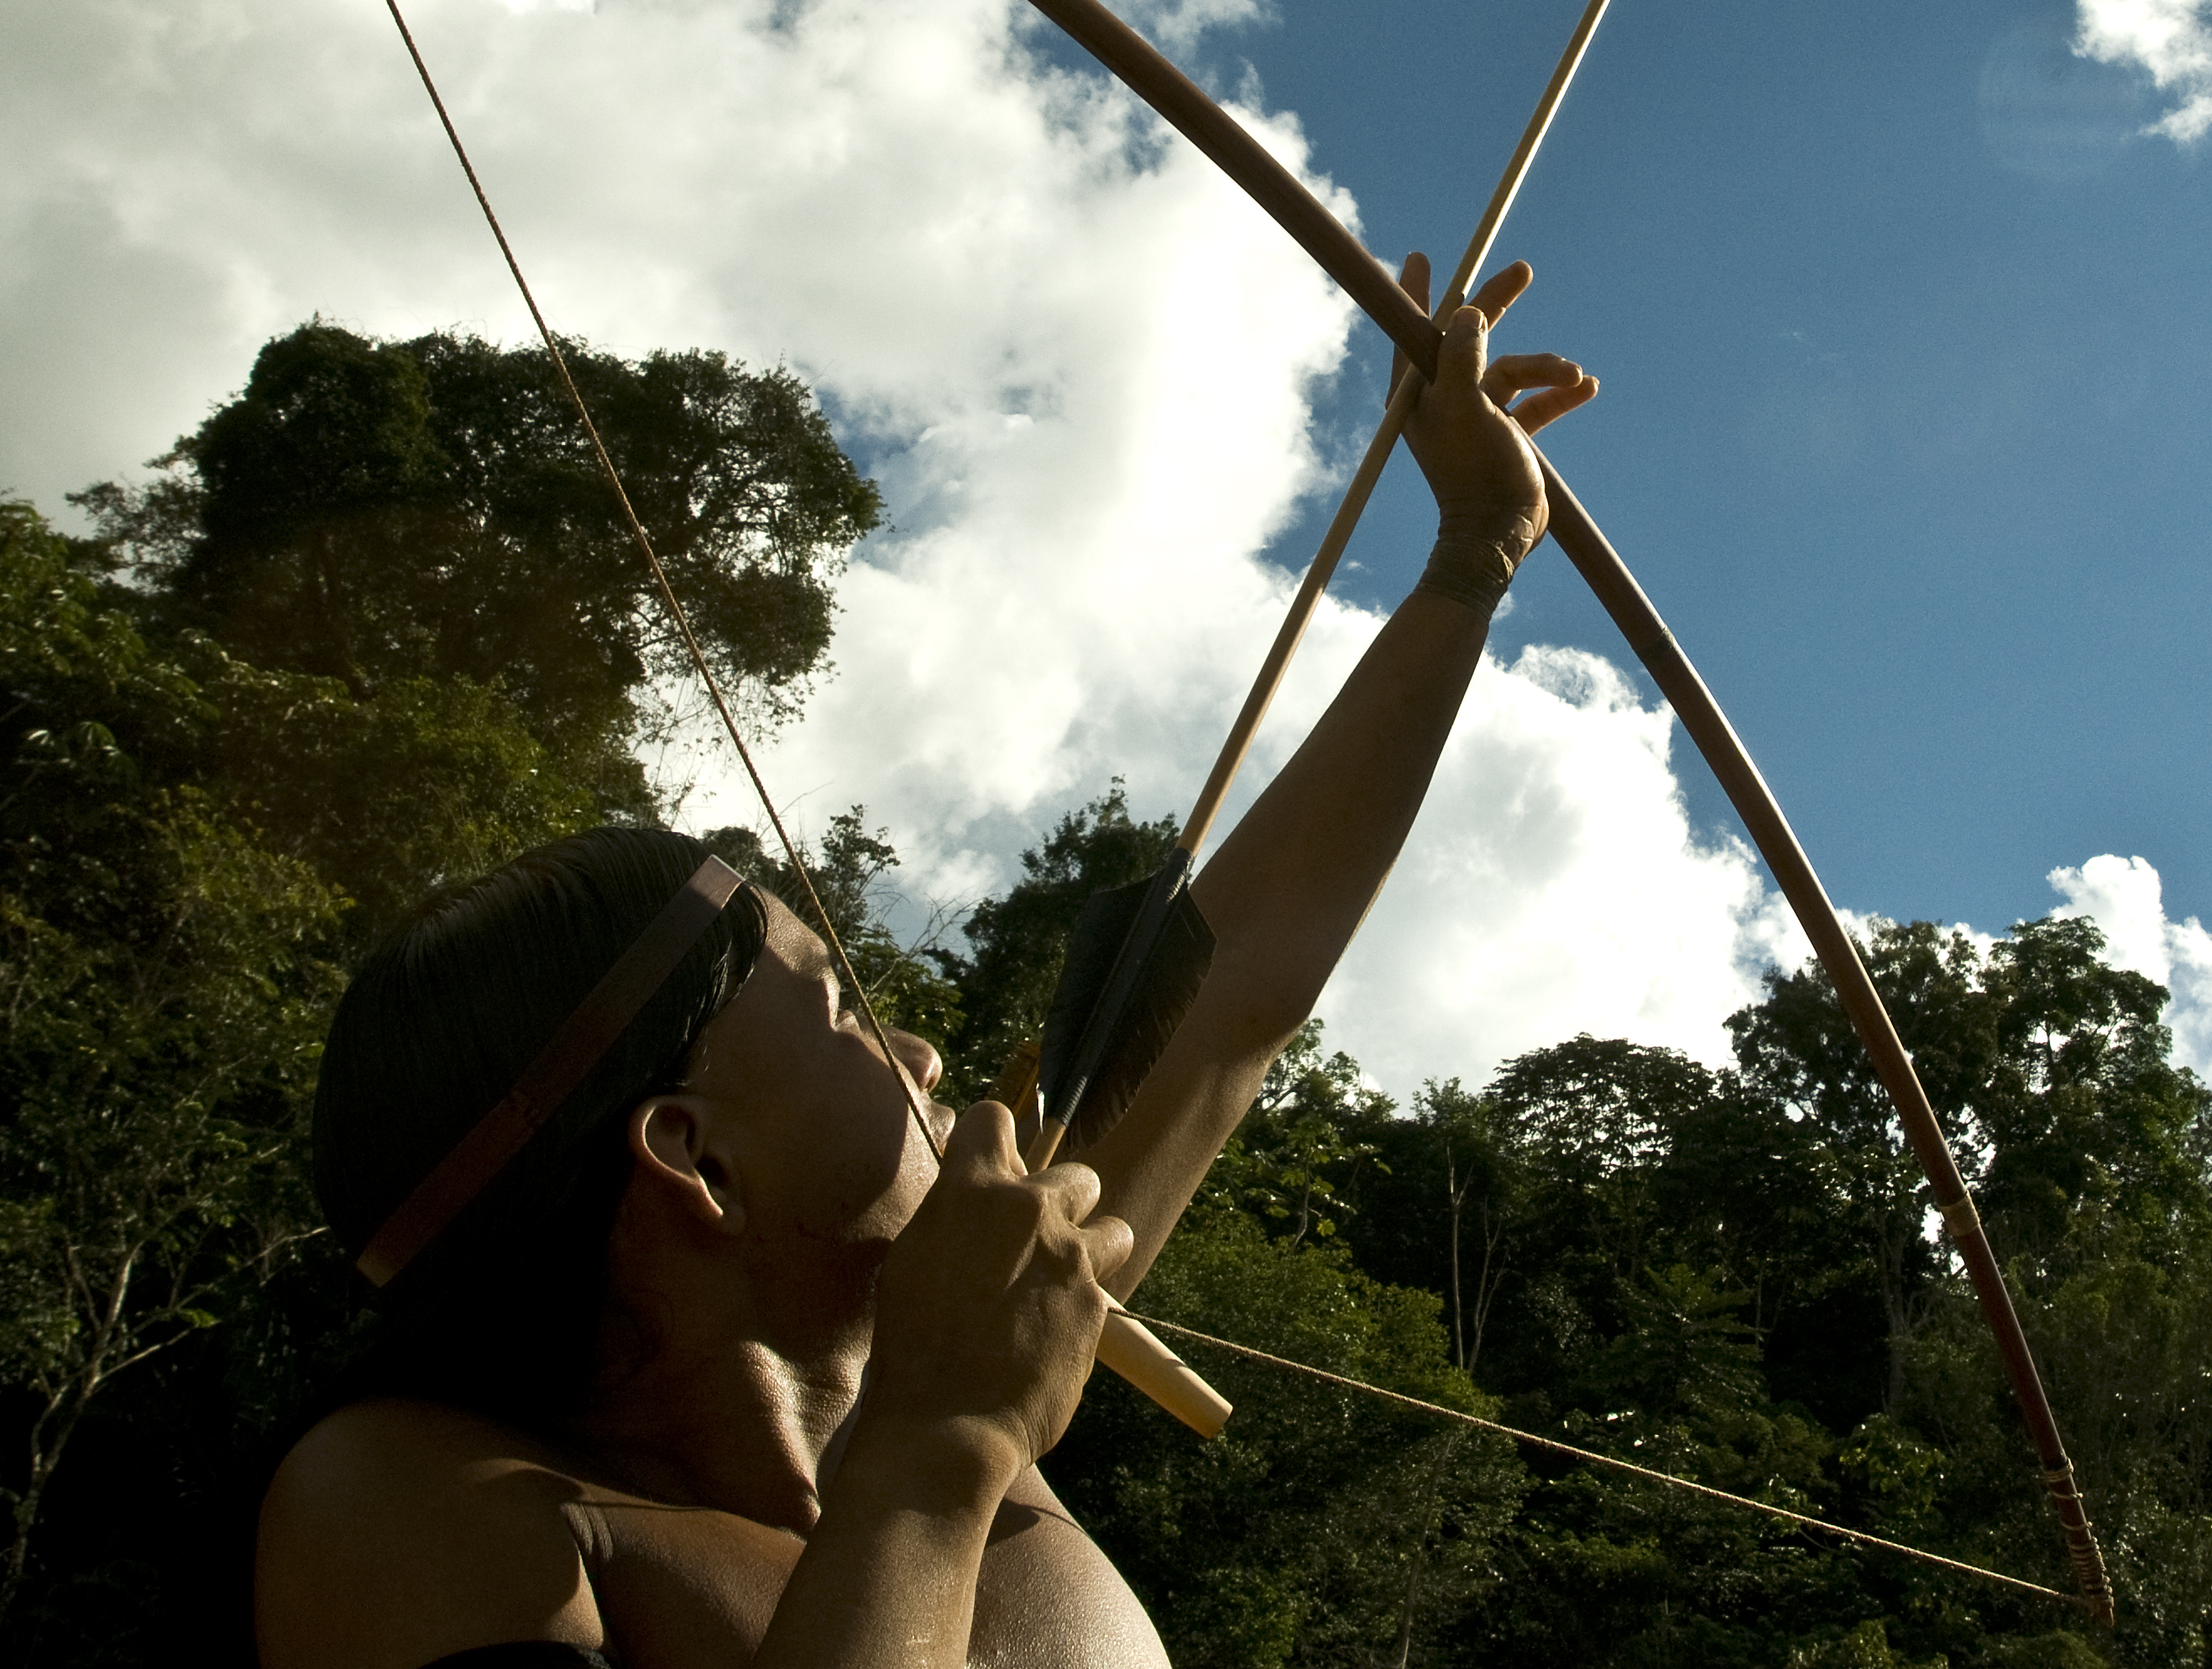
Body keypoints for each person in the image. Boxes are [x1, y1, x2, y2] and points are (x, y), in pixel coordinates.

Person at [256, 256, 1595, 1669]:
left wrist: (1474, 553)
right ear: (692, 1158)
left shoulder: (946, 1409)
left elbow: (1227, 997)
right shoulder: (415, 1505)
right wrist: (944, 1447)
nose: (923, 1053)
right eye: (841, 1008)